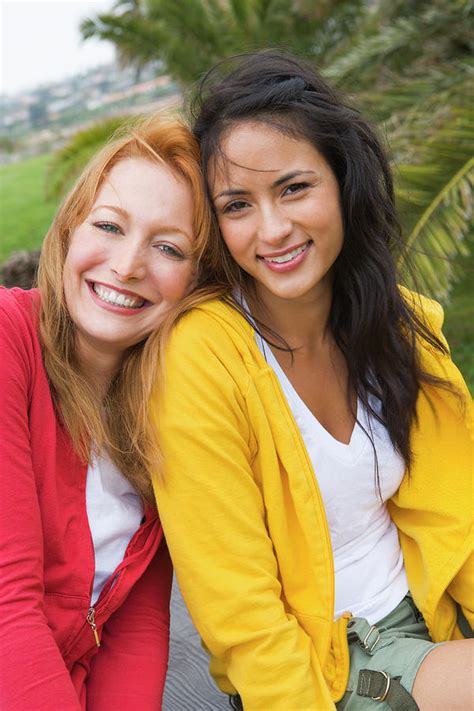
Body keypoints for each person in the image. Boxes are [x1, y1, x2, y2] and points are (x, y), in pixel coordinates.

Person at [151, 52, 473, 711]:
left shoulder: (400, 322)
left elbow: (459, 518)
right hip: (328, 661)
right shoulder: (202, 356)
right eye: (238, 205)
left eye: (294, 188)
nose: (272, 229)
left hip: (432, 613)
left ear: (341, 179)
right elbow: (239, 613)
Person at [0, 114, 212, 711]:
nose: (127, 265)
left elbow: (135, 624)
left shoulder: (165, 408)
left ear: (198, 281)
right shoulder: (7, 340)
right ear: (70, 230)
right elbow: (7, 606)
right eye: (110, 226)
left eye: (168, 246)